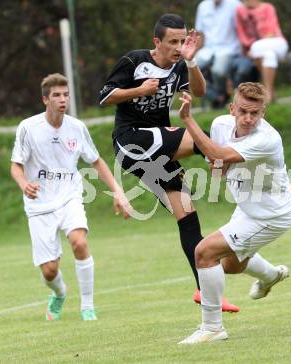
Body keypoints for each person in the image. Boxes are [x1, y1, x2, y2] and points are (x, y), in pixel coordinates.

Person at [99, 13, 239, 312]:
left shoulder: (179, 65)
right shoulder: (134, 61)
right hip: (132, 140)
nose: (177, 46)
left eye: (182, 41)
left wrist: (190, 61)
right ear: (156, 42)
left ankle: (206, 292)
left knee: (187, 216)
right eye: (172, 42)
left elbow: (199, 92)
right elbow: (106, 96)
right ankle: (239, 180)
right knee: (206, 137)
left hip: (155, 152)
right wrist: (139, 90)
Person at [177, 82, 291, 344]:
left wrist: (187, 119)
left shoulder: (267, 138)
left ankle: (212, 328)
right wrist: (218, 164)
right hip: (248, 209)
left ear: (263, 113)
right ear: (232, 108)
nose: (248, 118)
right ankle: (272, 275)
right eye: (243, 111)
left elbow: (216, 152)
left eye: (255, 113)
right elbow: (218, 167)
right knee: (230, 265)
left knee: (204, 252)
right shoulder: (221, 125)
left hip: (270, 216)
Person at [10, 73, 131, 321]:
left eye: (66, 94)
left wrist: (118, 192)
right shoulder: (28, 128)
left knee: (79, 242)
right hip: (39, 204)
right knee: (49, 270)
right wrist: (24, 184)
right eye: (56, 95)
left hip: (69, 197)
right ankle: (60, 293)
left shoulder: (77, 128)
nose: (62, 99)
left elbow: (96, 161)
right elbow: (16, 166)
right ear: (45, 99)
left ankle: (87, 306)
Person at [195, 0, 256, 108]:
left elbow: (244, 29)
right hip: (207, 50)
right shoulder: (202, 6)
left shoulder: (235, 4)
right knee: (187, 69)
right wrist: (193, 52)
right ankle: (218, 97)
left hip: (228, 49)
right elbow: (200, 33)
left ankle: (221, 96)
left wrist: (246, 49)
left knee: (218, 71)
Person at [236, 0, 289, 102]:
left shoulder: (268, 7)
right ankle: (269, 93)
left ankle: (268, 92)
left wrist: (252, 48)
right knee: (269, 56)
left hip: (276, 42)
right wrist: (246, 46)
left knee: (256, 48)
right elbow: (241, 32)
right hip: (260, 49)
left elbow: (271, 32)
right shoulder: (240, 10)